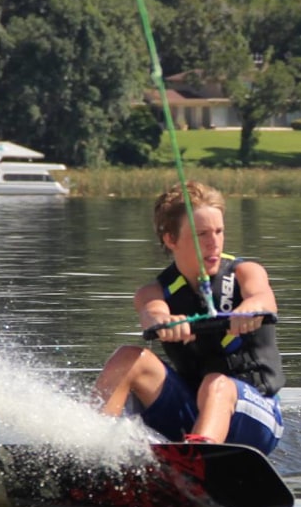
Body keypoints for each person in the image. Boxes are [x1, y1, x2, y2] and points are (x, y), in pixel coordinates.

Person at [94, 181, 284, 453]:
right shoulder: (153, 292)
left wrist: (249, 310)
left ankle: (199, 457)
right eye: (201, 234)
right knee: (129, 358)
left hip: (256, 416)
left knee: (216, 383)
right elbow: (152, 312)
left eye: (219, 232)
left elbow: (263, 298)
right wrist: (165, 322)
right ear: (171, 240)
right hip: (191, 411)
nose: (214, 243)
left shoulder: (246, 273)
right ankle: (90, 445)